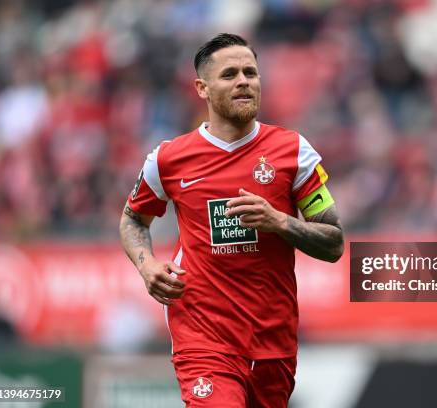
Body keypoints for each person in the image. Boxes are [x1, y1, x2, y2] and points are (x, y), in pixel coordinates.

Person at [119, 33, 344, 407]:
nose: (244, 81)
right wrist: (146, 265)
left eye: (251, 73)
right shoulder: (168, 159)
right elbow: (132, 220)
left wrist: (279, 222)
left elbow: (334, 241)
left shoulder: (293, 152)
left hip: (273, 339)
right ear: (202, 88)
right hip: (203, 335)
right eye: (230, 74)